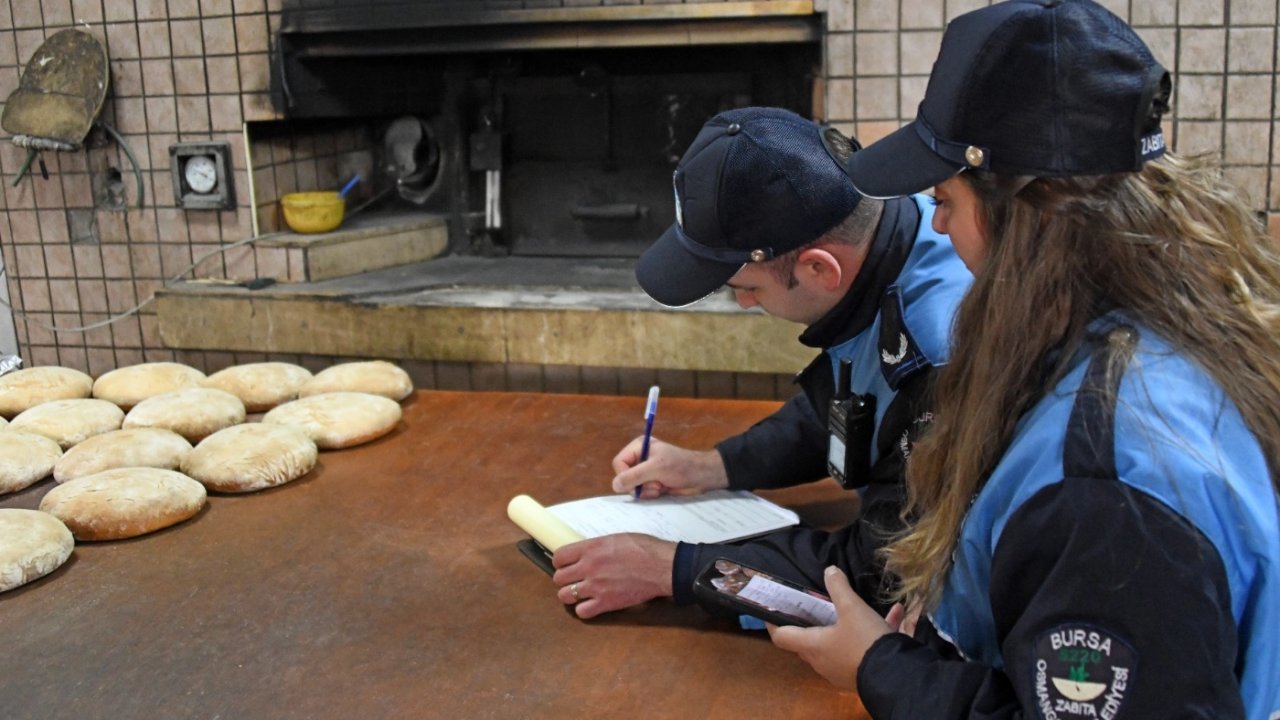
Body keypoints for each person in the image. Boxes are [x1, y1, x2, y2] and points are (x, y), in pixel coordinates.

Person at [766, 1, 1280, 717]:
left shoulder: (1106, 486)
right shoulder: (1143, 336)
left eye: (945, 196)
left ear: (1029, 213)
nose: (935, 222)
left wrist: (879, 667)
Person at [549, 106, 972, 621]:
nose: (745, 304)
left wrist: (674, 569)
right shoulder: (888, 224)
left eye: (747, 288)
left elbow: (883, 573)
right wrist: (713, 466)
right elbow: (849, 405)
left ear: (819, 268)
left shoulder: (939, 358)